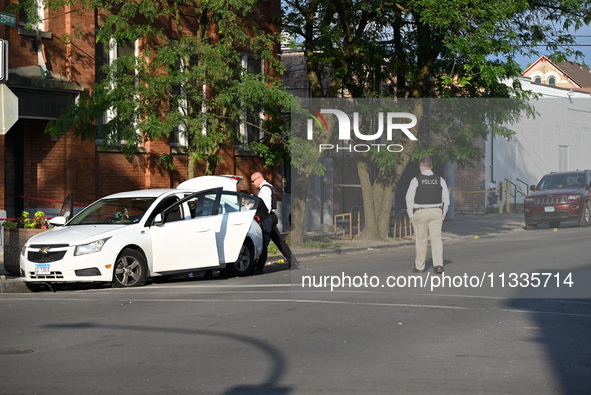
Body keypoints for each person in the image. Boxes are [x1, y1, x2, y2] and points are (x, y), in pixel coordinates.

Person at [405, 158, 450, 274]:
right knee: (436, 238)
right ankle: (438, 265)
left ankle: (420, 266)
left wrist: (411, 214)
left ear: (421, 167)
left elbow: (409, 198)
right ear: (431, 166)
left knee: (421, 239)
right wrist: (444, 213)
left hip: (420, 211)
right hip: (436, 211)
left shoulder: (416, 180)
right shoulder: (440, 180)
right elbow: (446, 199)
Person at [250, 172, 299, 273]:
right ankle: (293, 261)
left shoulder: (265, 189)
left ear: (258, 178)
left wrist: (261, 219)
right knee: (278, 241)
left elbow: (266, 207)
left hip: (267, 218)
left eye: (253, 181)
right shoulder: (269, 187)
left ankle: (259, 268)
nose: (252, 184)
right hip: (270, 218)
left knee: (264, 243)